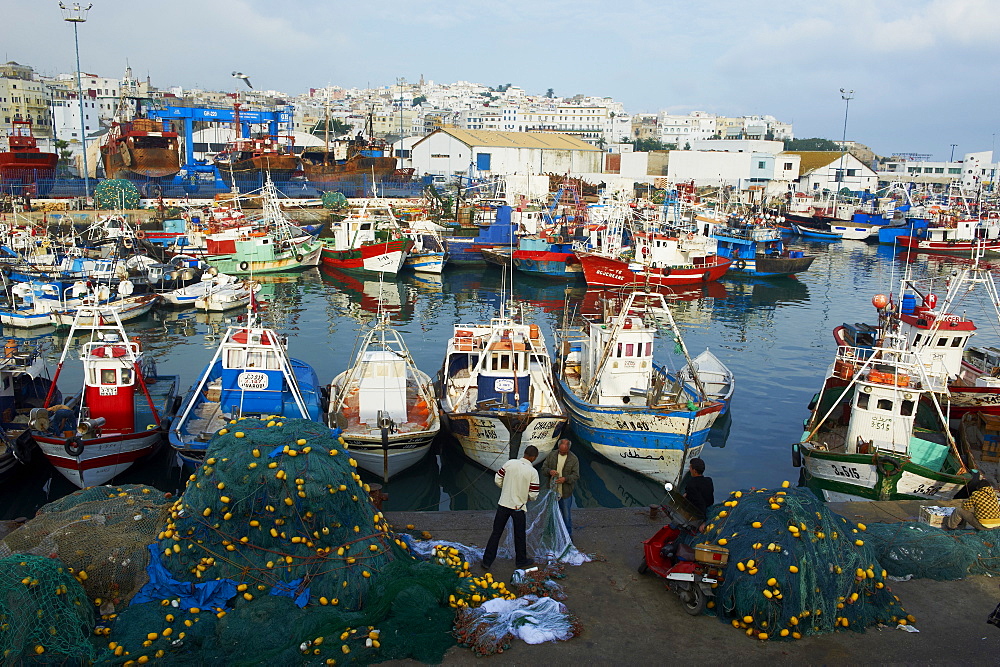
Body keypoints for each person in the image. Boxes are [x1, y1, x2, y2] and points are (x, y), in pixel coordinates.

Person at [481, 445, 541, 570]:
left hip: (503, 504)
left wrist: (506, 488)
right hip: (518, 508)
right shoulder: (533, 472)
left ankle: (487, 561)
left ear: (524, 453)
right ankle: (521, 561)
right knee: (519, 535)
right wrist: (526, 497)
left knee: (496, 533)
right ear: (534, 457)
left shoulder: (510, 463)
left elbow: (498, 479)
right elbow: (534, 494)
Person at [543, 438, 580, 537]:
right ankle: (551, 535)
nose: (562, 453)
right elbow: (544, 468)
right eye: (561, 451)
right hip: (553, 492)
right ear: (558, 448)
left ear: (568, 449)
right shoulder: (552, 455)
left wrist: (565, 479)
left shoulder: (574, 459)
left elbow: (576, 475)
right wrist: (549, 471)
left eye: (565, 452)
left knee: (566, 517)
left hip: (565, 493)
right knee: (551, 515)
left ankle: (568, 537)